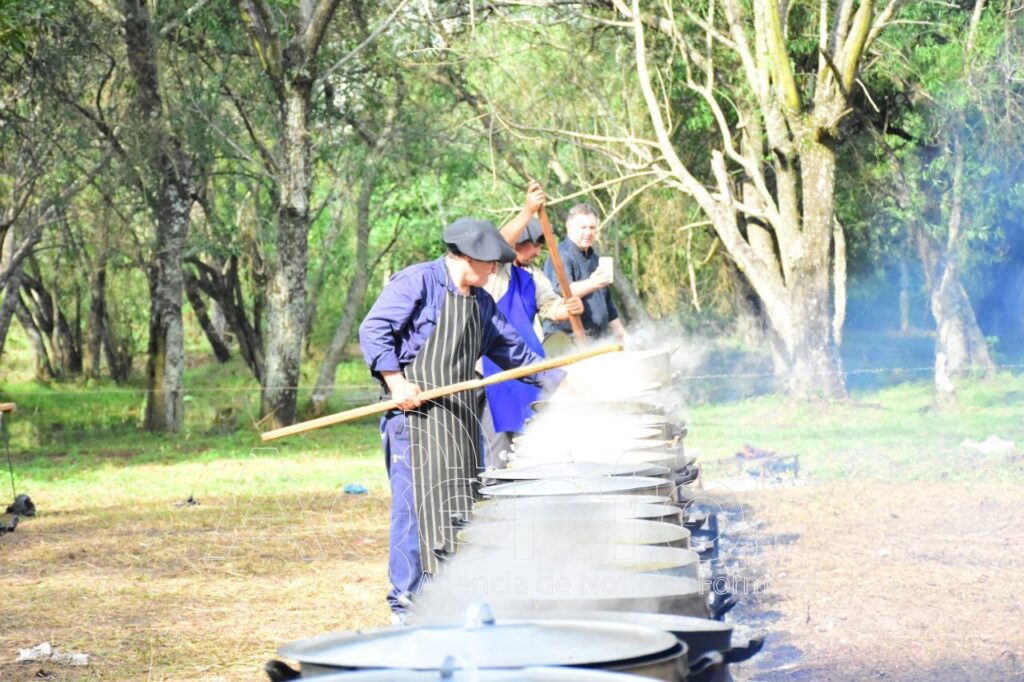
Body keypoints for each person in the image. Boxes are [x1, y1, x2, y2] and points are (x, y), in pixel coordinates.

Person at [358, 217, 565, 619]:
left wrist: (560, 381)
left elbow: (513, 352)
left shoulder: (481, 302)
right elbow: (374, 329)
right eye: (491, 264)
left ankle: (448, 599)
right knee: (414, 511)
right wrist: (396, 383)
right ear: (471, 257)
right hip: (414, 420)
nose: (494, 270)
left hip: (459, 419)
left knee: (460, 506)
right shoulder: (418, 282)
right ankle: (406, 606)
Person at [479, 183, 584, 466]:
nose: (537, 252)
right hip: (495, 368)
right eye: (533, 245)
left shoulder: (534, 276)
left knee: (537, 439)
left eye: (540, 245)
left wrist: (568, 308)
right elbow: (498, 243)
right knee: (499, 450)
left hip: (529, 364)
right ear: (516, 245)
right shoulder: (494, 271)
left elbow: (550, 306)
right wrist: (528, 211)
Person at [542, 203, 626, 346]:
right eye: (583, 227)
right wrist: (593, 283)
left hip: (597, 341)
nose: (588, 232)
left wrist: (622, 334)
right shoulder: (560, 256)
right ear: (569, 227)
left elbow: (608, 304)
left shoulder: (594, 258)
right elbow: (563, 291)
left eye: (592, 227)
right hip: (567, 341)